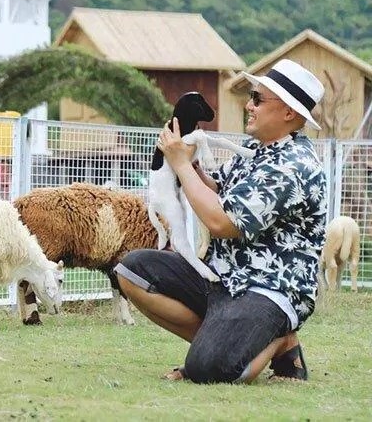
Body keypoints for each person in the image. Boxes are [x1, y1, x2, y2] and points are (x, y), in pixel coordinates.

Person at [114, 59, 327, 384]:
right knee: (131, 271)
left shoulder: (293, 167)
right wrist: (185, 157)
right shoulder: (258, 149)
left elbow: (221, 222)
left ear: (288, 114)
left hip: (267, 289)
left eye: (257, 99)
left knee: (210, 371)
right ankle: (226, 343)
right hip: (221, 276)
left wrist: (182, 166)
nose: (248, 105)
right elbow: (215, 187)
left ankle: (281, 341)